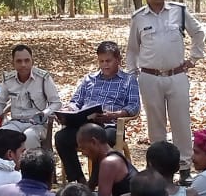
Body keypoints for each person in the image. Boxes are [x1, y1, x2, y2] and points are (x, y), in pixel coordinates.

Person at [127, 0, 206, 183]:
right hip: (149, 77)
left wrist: (194, 58)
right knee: (156, 125)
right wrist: (132, 75)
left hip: (176, 75)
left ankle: (184, 167)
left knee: (181, 122)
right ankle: (159, 169)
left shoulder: (179, 11)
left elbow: (198, 33)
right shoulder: (139, 17)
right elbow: (132, 49)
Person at [54, 41, 141, 183]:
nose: (105, 65)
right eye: (101, 61)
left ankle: (95, 182)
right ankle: (79, 180)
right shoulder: (89, 79)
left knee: (101, 141)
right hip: (85, 125)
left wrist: (114, 115)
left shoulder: (128, 80)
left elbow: (134, 106)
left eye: (108, 61)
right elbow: (75, 102)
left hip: (109, 126)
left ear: (118, 60)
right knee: (61, 137)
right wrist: (68, 111)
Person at [0, 44, 61, 151]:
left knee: (29, 137)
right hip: (15, 122)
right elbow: (0, 102)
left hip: (38, 124)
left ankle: (30, 162)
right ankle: (5, 162)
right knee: (0, 136)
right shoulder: (8, 80)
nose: (23, 65)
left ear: (32, 61)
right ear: (13, 63)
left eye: (27, 60)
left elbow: (56, 103)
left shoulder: (43, 78)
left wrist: (45, 113)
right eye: (19, 61)